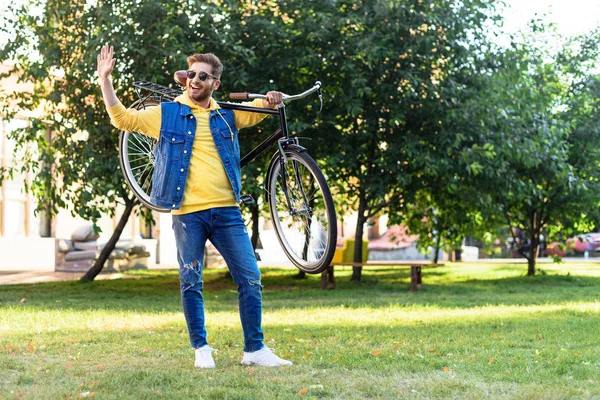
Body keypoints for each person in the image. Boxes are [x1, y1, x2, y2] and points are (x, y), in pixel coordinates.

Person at [97, 45, 292, 368]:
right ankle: (201, 348)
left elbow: (259, 108)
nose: (195, 80)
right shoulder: (167, 113)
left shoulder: (226, 112)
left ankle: (254, 350)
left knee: (250, 277)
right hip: (188, 213)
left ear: (215, 83)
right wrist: (105, 79)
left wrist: (273, 98)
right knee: (191, 281)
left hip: (228, 212)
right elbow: (122, 119)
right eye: (191, 74)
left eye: (203, 76)